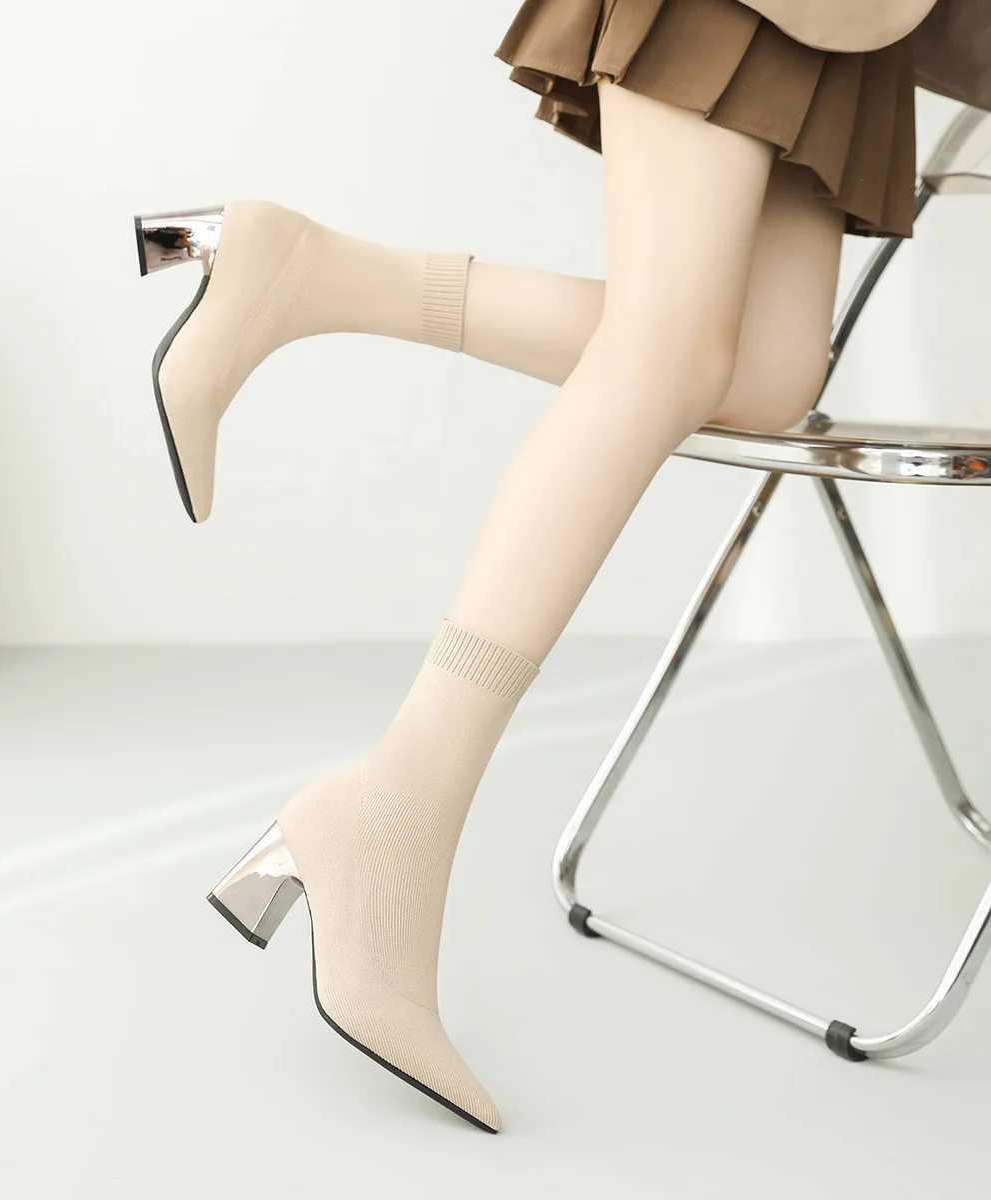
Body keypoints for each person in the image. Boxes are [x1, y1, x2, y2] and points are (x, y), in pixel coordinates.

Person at [134, 0, 926, 1133]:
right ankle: (398, 805)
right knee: (668, 349)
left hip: (862, 21)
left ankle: (303, 273)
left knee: (761, 372)